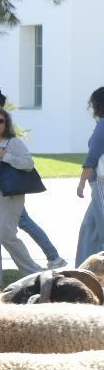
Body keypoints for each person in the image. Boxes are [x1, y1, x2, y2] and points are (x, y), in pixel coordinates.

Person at [0, 90, 64, 267]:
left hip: (6, 189)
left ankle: (53, 258)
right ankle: (53, 257)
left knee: (23, 222)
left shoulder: (3, 128)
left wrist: (5, 156)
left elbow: (26, 161)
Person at [0, 107, 42, 288]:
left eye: (0, 121)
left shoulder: (11, 143)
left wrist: (6, 156)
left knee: (6, 236)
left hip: (5, 196)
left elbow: (28, 164)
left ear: (6, 123)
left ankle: (34, 274)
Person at [77, 86, 104, 264]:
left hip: (101, 183)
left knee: (101, 230)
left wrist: (81, 183)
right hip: (98, 183)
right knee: (89, 228)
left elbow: (92, 157)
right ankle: (82, 270)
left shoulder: (102, 125)